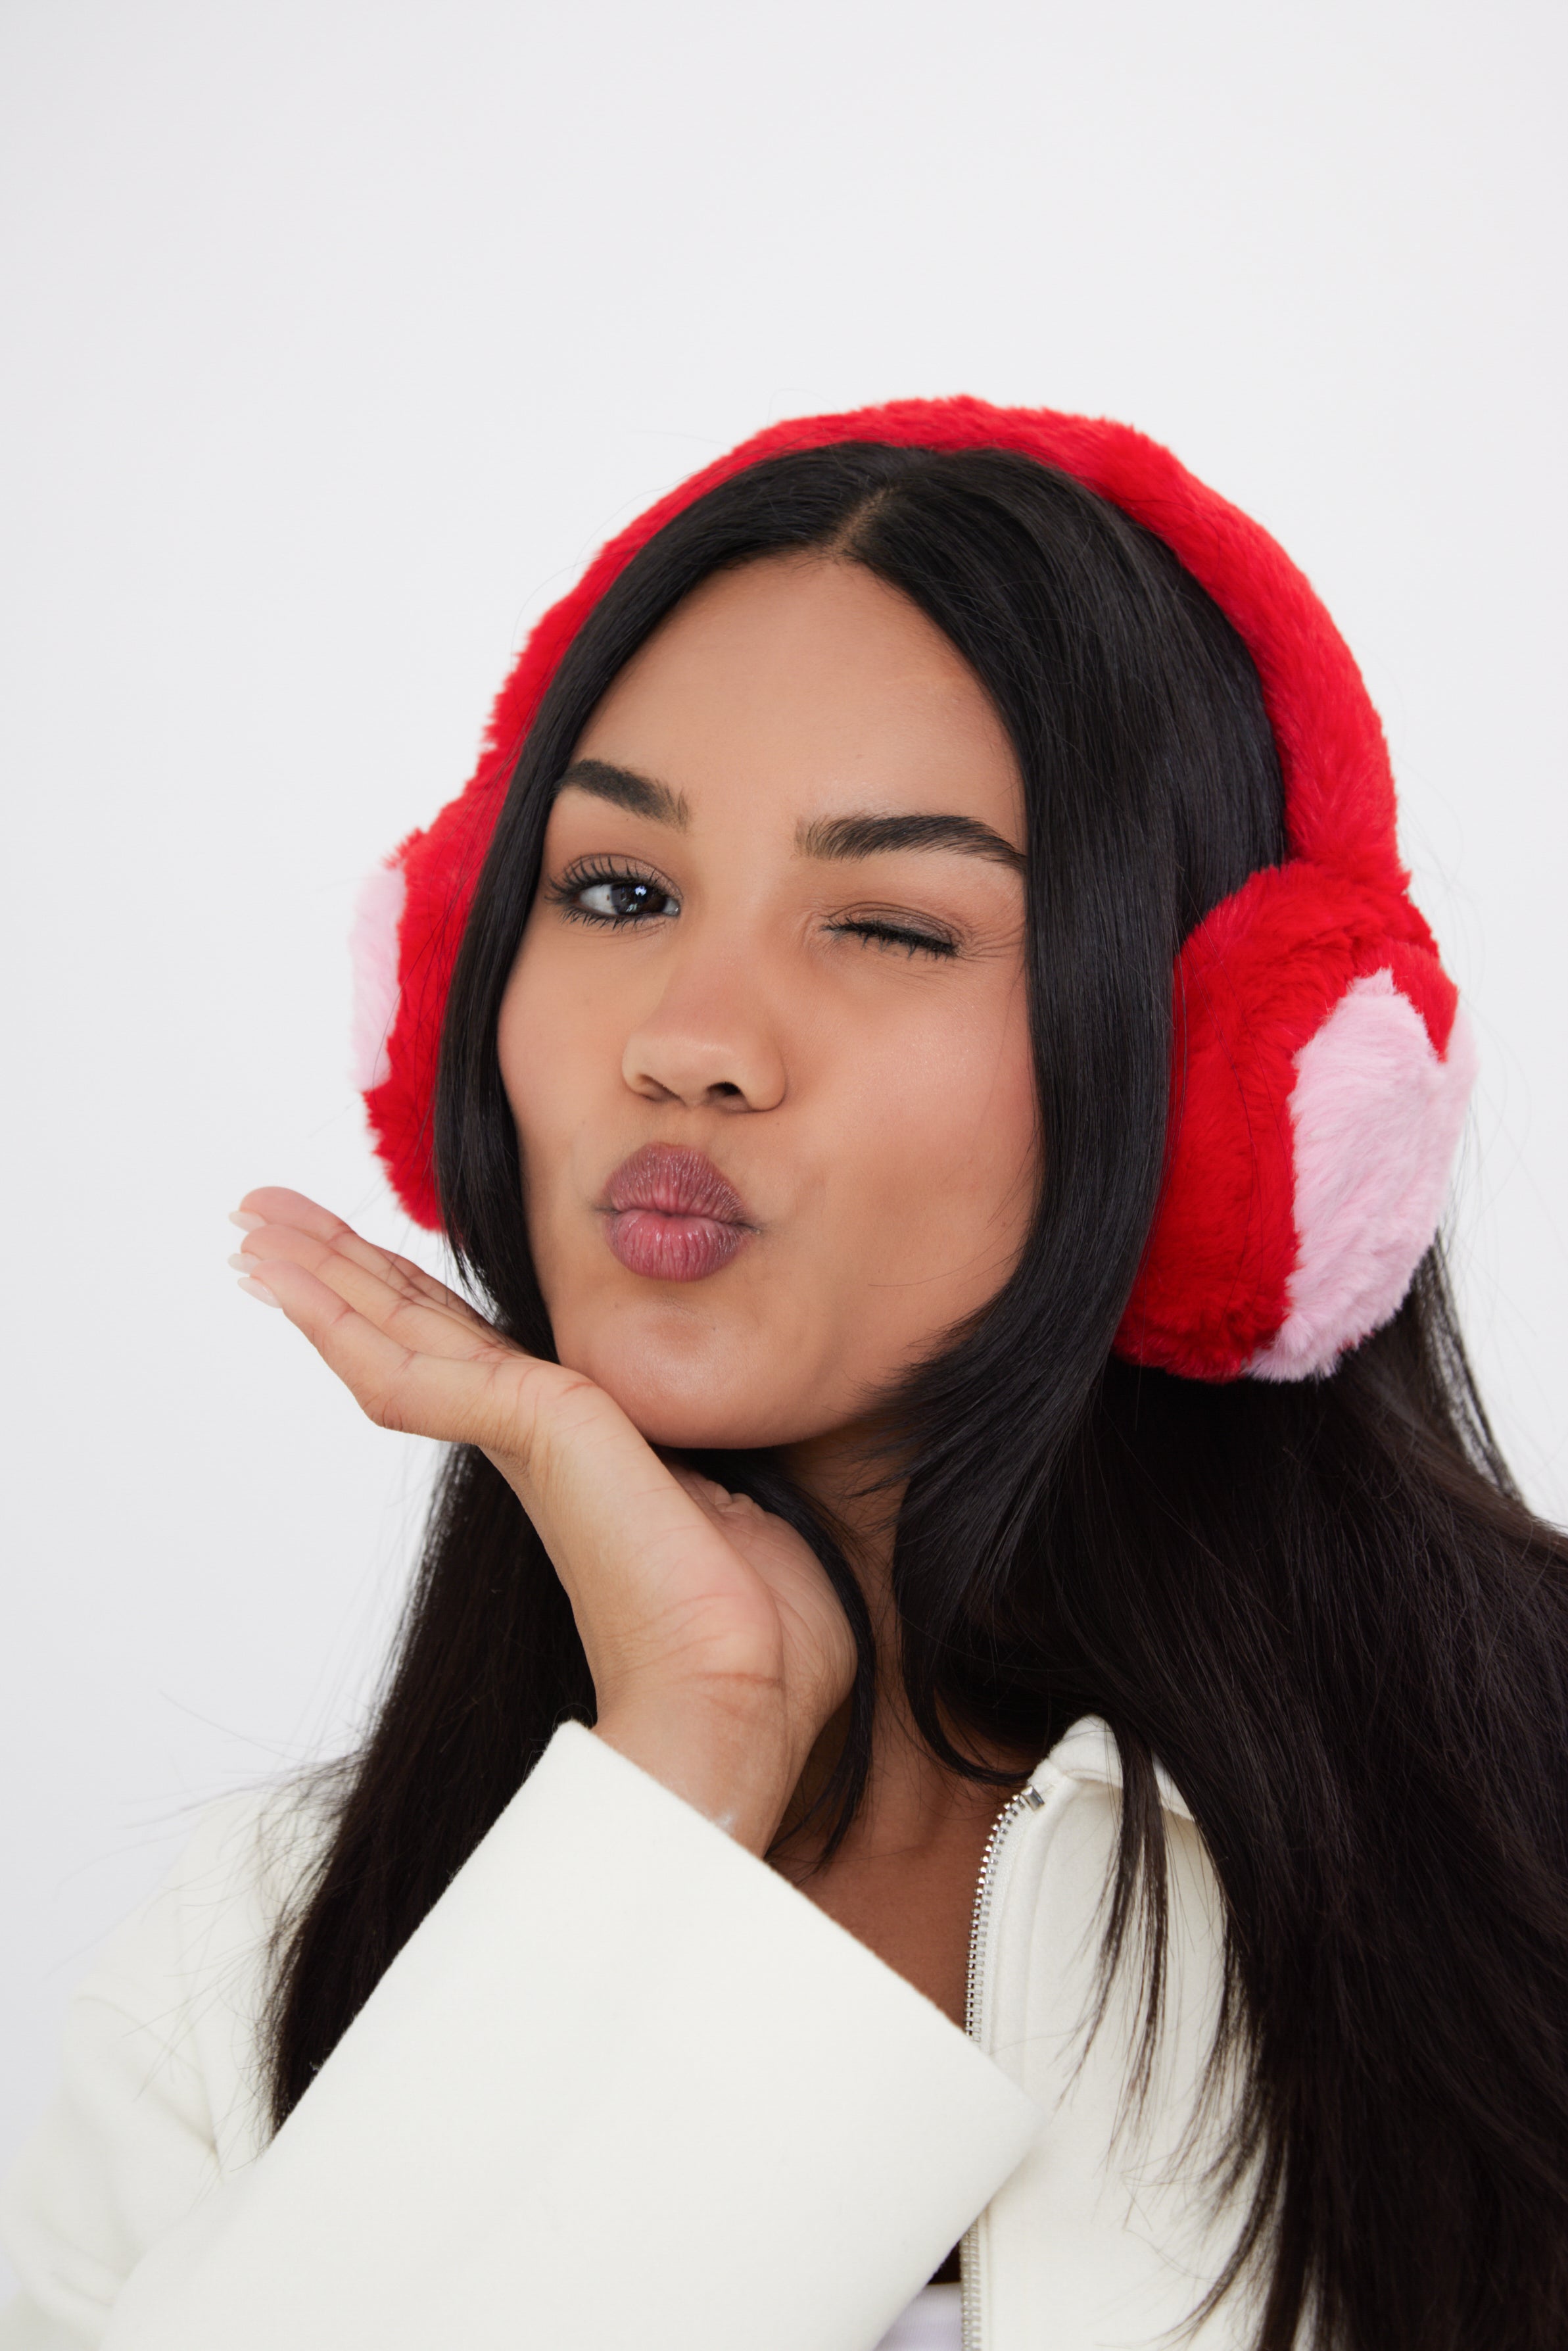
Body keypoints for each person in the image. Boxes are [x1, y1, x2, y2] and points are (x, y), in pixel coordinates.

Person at [3, 400, 1565, 2351]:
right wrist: (674, 1776)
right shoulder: (246, 1958)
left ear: (1238, 1081)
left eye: (891, 924)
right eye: (618, 892)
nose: (689, 1041)